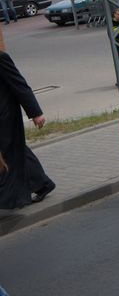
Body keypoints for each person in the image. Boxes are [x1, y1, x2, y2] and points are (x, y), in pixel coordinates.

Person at [0, 50, 56, 209]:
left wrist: (36, 113)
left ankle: (12, 199)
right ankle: (42, 183)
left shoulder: (1, 58)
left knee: (8, 152)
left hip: (5, 116)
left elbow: (19, 84)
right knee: (16, 149)